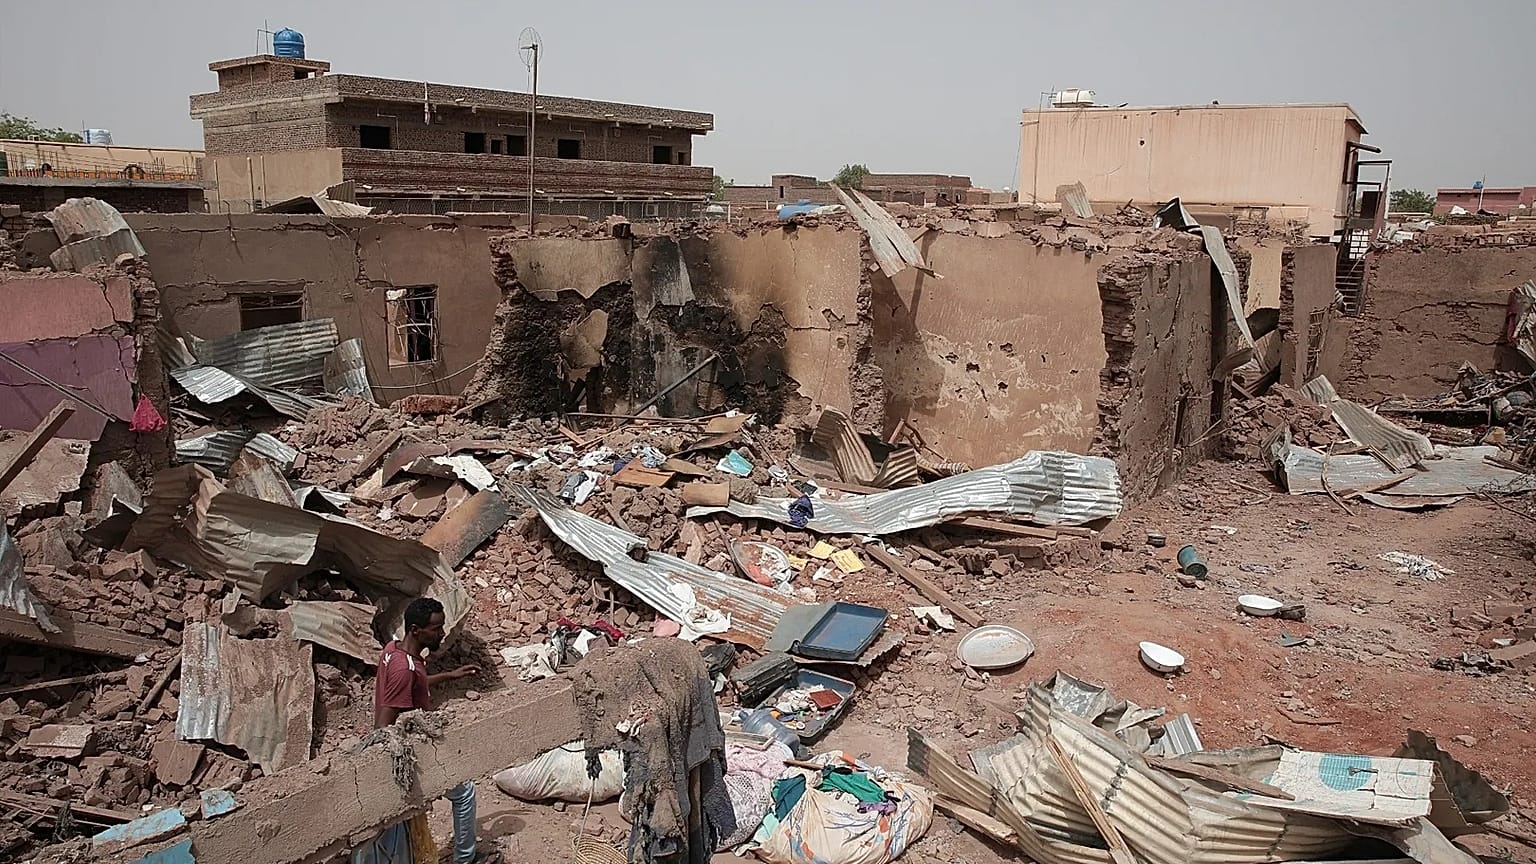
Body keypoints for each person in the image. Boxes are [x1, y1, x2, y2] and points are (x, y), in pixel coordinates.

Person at [366, 597, 490, 864]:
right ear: (415, 630)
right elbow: (383, 724)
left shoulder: (393, 650)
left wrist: (449, 675)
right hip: (408, 750)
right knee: (465, 792)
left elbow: (413, 681)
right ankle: (465, 860)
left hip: (409, 743)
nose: (442, 634)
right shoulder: (404, 669)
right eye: (436, 629)